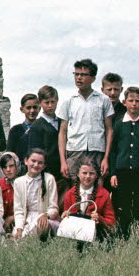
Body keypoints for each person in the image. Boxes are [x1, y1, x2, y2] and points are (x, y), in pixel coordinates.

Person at [109, 87, 139, 238]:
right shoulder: (119, 124)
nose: (134, 104)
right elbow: (113, 151)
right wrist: (113, 173)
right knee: (122, 205)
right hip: (122, 172)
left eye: (137, 101)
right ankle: (122, 236)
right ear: (124, 102)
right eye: (131, 100)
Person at [57, 58, 114, 188]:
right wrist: (63, 161)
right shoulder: (69, 101)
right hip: (74, 151)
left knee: (96, 189)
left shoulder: (103, 100)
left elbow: (109, 129)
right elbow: (62, 132)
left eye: (83, 75)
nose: (79, 78)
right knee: (73, 189)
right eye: (76, 74)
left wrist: (106, 158)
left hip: (97, 151)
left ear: (93, 78)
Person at [61, 157, 116, 244]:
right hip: (74, 234)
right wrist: (66, 215)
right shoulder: (69, 194)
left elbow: (111, 222)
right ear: (78, 174)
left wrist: (99, 218)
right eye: (84, 173)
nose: (87, 176)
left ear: (96, 175)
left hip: (96, 234)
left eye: (91, 173)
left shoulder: (104, 194)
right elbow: (67, 219)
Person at [13, 148, 59, 240]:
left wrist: (46, 215)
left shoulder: (49, 179)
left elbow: (54, 208)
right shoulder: (18, 182)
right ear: (26, 161)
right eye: (33, 161)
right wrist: (19, 228)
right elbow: (18, 210)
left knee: (42, 226)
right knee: (18, 238)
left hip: (45, 218)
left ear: (44, 165)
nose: (36, 165)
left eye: (40, 163)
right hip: (26, 219)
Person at [27, 85, 61, 186]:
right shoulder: (37, 126)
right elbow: (34, 151)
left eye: (53, 102)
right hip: (46, 170)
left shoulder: (61, 122)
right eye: (47, 102)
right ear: (40, 103)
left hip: (61, 170)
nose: (50, 105)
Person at [7, 94, 39, 162]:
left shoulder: (43, 129)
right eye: (28, 108)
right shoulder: (15, 130)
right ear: (22, 109)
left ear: (39, 108)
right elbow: (10, 154)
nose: (32, 110)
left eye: (35, 107)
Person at [0, 151, 21, 232]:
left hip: (19, 221)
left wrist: (12, 217)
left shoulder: (23, 183)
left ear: (17, 165)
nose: (8, 170)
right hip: (1, 223)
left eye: (11, 166)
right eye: (4, 167)